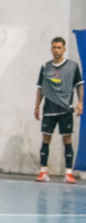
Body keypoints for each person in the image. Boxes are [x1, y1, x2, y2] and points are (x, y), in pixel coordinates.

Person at [35, 37, 83, 183]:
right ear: (51, 49)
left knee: (67, 140)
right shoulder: (45, 67)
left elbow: (79, 85)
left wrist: (81, 102)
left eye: (59, 47)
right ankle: (43, 172)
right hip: (49, 110)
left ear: (64, 49)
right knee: (45, 140)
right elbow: (40, 88)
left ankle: (68, 173)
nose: (56, 50)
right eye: (54, 47)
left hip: (65, 110)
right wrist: (37, 106)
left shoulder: (73, 66)